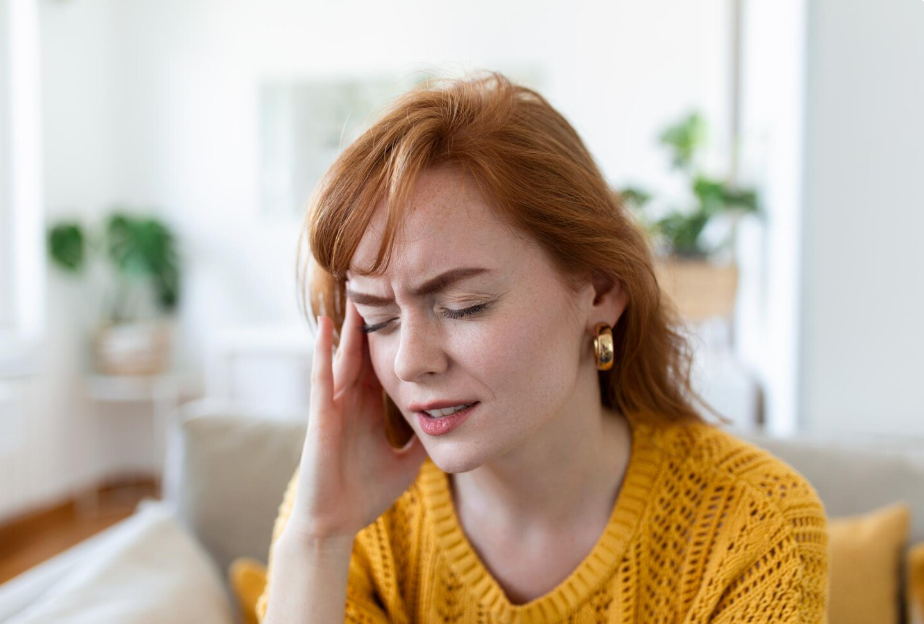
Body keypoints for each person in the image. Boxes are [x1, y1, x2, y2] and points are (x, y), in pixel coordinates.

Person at [255, 71, 829, 623]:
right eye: (379, 319)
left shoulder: (756, 526)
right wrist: (317, 540)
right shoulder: (345, 518)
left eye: (464, 305)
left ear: (600, 290)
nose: (409, 361)